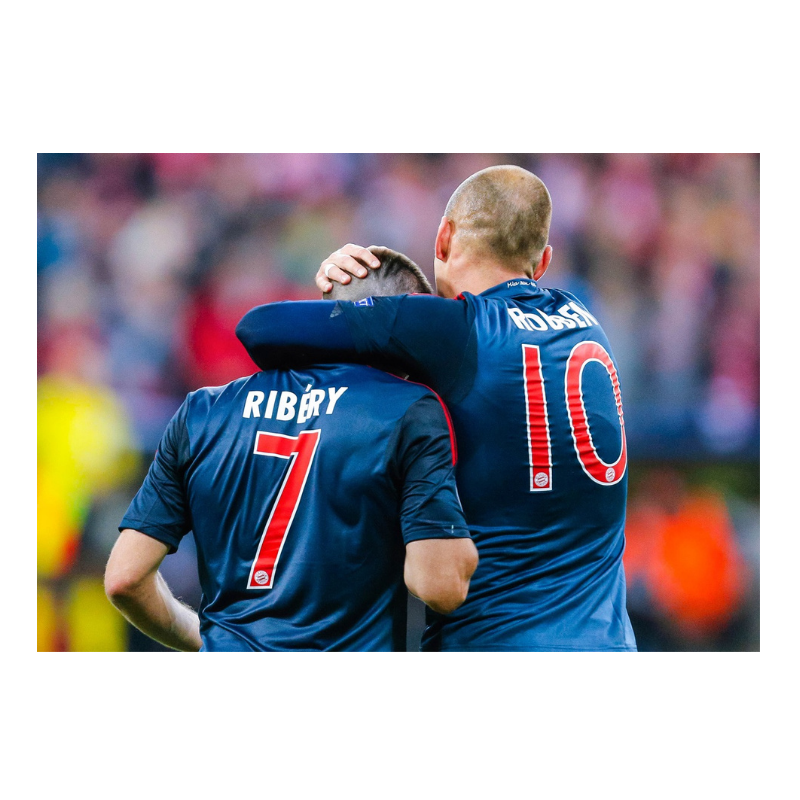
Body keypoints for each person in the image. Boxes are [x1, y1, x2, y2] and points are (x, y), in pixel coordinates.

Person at [236, 164, 638, 652]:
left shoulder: (451, 327)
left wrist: (339, 287)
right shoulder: (585, 320)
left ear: (443, 237)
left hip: (494, 639)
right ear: (543, 262)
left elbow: (259, 329)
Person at [104, 248, 478, 652]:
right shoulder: (408, 411)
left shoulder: (202, 410)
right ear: (405, 325)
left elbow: (125, 578)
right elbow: (441, 587)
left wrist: (206, 640)